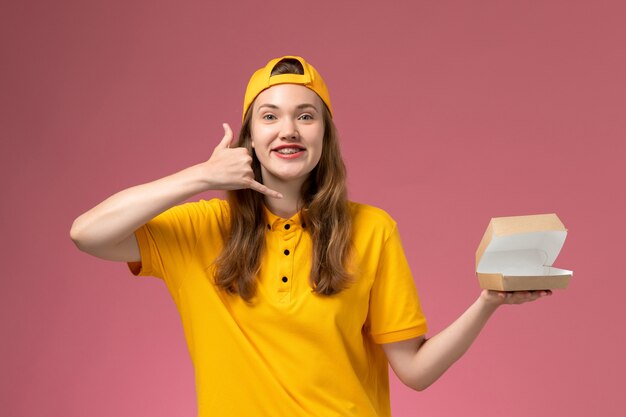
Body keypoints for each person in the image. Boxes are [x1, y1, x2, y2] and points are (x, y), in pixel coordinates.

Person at [70, 56, 551, 417]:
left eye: (305, 115)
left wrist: (488, 301)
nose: (288, 130)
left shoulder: (372, 230)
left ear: (324, 135)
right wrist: (199, 176)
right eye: (270, 116)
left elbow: (416, 372)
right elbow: (88, 233)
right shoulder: (202, 228)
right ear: (250, 138)